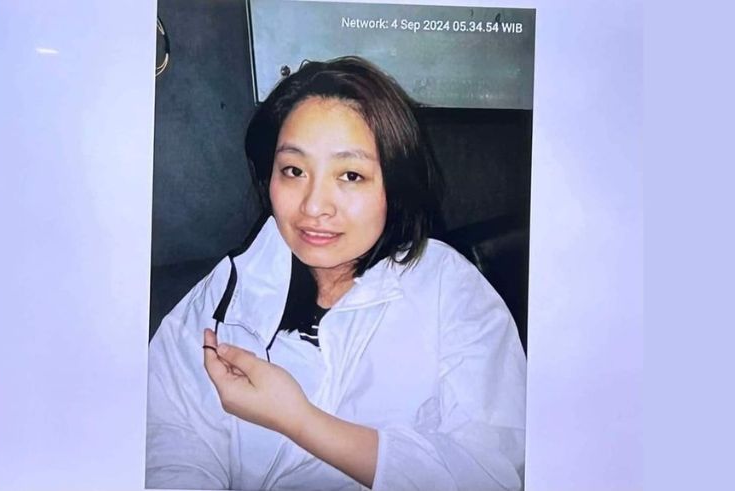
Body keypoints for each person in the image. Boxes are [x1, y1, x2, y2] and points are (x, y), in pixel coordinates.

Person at [146, 56, 526, 491]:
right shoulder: (230, 286)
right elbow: (171, 434)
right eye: (294, 171)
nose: (313, 206)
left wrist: (300, 420)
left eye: (350, 175)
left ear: (395, 184)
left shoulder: (449, 289)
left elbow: (490, 471)